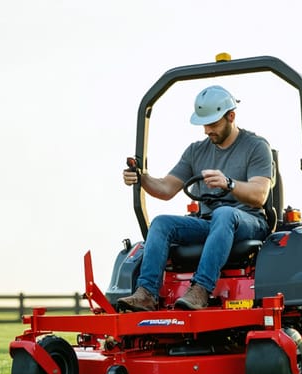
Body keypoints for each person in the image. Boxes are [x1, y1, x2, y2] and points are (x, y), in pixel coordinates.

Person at [117, 85, 274, 311]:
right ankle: (147, 293)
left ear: (231, 116)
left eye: (213, 124)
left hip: (248, 221)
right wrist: (142, 178)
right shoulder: (195, 152)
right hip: (209, 223)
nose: (207, 130)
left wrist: (228, 184)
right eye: (204, 124)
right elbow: (166, 188)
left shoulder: (256, 147)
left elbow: (260, 195)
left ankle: (200, 289)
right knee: (162, 223)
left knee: (224, 214)